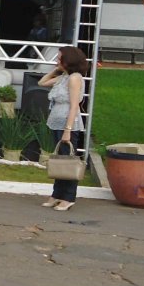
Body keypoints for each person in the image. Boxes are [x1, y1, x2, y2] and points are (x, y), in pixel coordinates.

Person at [37, 46, 87, 211]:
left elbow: (74, 105)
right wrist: (56, 70)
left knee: (68, 161)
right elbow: (42, 82)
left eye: (60, 59)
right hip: (56, 121)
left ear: (69, 60)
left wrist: (68, 129)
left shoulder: (74, 78)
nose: (57, 61)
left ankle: (68, 196)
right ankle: (57, 194)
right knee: (59, 160)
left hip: (68, 122)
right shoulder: (64, 77)